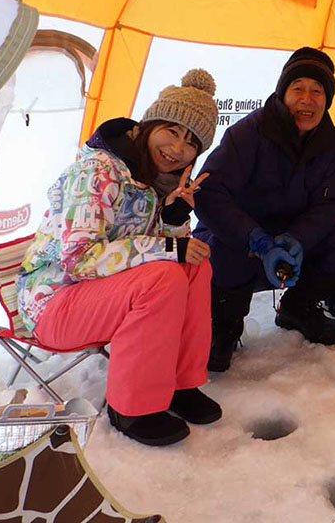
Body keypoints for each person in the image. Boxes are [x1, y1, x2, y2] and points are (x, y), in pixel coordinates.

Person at [17, 69, 222, 447]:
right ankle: (132, 408)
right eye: (172, 131)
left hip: (100, 294)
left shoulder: (152, 179)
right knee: (166, 274)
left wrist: (174, 221)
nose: (178, 149)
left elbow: (152, 251)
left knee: (193, 267)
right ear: (149, 124)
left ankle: (179, 383)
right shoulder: (96, 173)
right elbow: (79, 258)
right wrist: (167, 249)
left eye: (192, 143)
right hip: (54, 302)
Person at [194, 47, 335, 372]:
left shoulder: (333, 143)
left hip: (290, 249)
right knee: (220, 243)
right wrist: (256, 239)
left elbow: (331, 203)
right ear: (282, 92)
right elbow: (209, 192)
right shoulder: (248, 133)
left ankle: (298, 307)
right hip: (243, 245)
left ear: (327, 99)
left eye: (317, 91)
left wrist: (297, 239)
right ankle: (224, 328)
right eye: (298, 88)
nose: (307, 99)